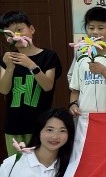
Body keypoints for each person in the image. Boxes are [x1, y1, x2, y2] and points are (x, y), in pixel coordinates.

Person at [0, 11, 62, 156]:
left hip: (41, 126)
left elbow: (47, 86)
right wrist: (9, 68)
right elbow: (3, 90)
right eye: (9, 34)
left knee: (42, 165)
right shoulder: (6, 59)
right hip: (13, 126)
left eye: (19, 30)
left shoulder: (49, 56)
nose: (15, 36)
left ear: (32, 29)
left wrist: (31, 65)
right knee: (17, 167)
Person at [68, 7, 106, 115]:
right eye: (91, 28)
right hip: (85, 117)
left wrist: (103, 70)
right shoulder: (82, 55)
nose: (95, 32)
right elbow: (75, 89)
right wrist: (73, 104)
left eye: (100, 28)